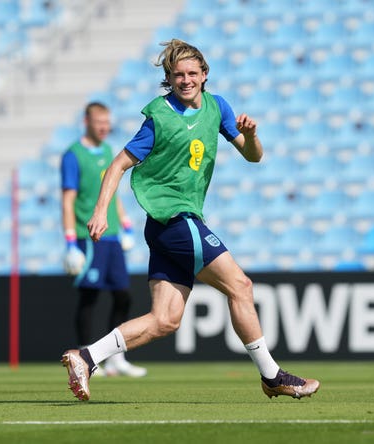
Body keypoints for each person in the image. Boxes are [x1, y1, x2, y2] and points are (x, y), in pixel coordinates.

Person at [61, 40, 319, 401]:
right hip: (174, 218)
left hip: (172, 225)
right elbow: (117, 164)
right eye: (178, 75)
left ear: (204, 75)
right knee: (240, 286)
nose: (186, 80)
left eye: (192, 73)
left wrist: (252, 135)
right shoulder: (160, 117)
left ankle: (86, 357)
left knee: (165, 320)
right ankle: (272, 375)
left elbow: (252, 157)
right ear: (169, 78)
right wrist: (101, 210)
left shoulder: (217, 107)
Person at [60, 101, 147, 378]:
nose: (105, 127)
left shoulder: (110, 150)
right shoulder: (73, 155)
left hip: (111, 236)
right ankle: (85, 357)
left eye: (107, 123)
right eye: (100, 122)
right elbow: (68, 199)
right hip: (89, 236)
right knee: (90, 296)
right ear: (87, 122)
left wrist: (126, 224)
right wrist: (71, 241)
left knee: (123, 296)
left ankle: (116, 359)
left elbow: (112, 192)